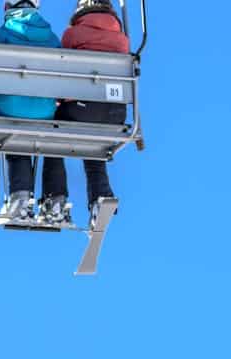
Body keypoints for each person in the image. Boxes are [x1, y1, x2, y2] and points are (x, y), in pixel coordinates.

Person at [38, 0, 131, 227]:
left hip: (82, 107)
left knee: (52, 138)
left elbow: (63, 70)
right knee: (94, 147)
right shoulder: (122, 39)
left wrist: (59, 100)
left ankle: (55, 198)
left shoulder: (72, 35)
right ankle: (101, 197)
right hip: (115, 112)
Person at [0, 0, 62, 223]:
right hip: (44, 111)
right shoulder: (52, 38)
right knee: (23, 129)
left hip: (8, 108)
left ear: (7, 7)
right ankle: (24, 199)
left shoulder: (1, 35)